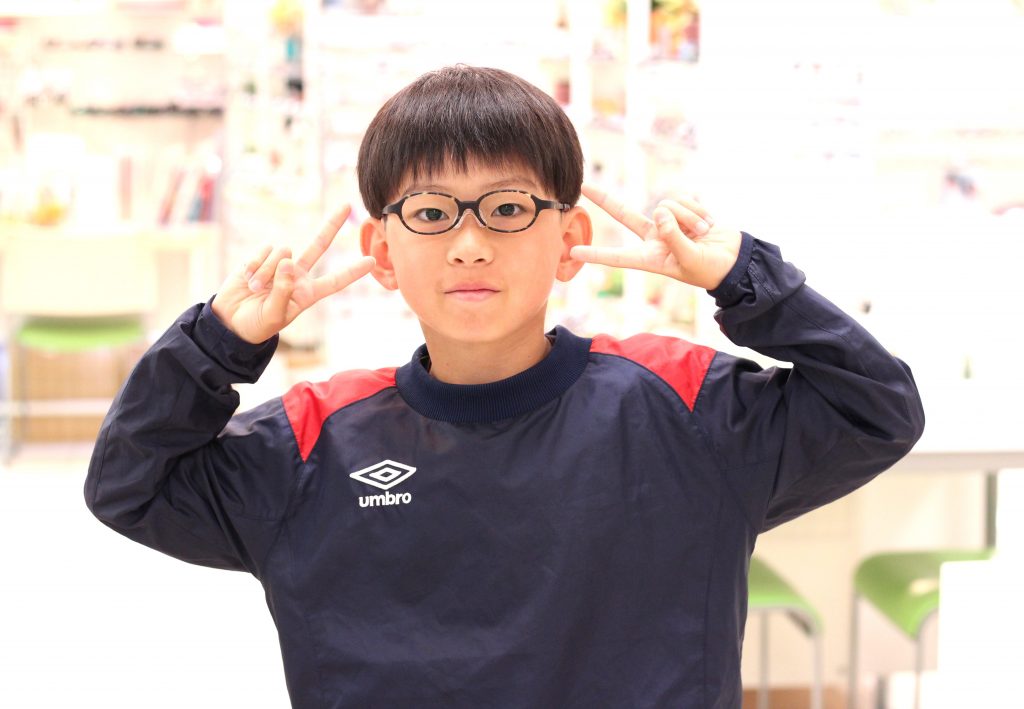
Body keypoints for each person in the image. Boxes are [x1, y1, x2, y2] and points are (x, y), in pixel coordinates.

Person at [85, 65, 924, 708]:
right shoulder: (314, 440)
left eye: (510, 209)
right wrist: (217, 344)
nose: (470, 244)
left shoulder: (682, 406)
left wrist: (746, 278)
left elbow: (878, 408)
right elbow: (130, 484)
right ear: (382, 251)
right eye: (431, 212)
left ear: (570, 238)